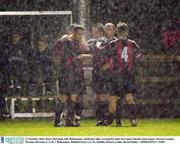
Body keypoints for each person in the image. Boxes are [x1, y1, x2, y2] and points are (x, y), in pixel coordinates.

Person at [103, 22, 142, 126]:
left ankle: (115, 121)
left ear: (116, 32)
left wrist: (107, 66)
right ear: (127, 32)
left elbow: (103, 55)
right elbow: (139, 56)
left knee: (113, 98)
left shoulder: (112, 44)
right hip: (128, 75)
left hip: (116, 75)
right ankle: (133, 119)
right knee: (129, 97)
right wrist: (133, 65)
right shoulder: (132, 43)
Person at [53, 24, 88, 127]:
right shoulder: (68, 42)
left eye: (82, 34)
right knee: (65, 97)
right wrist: (82, 57)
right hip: (68, 73)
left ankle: (68, 121)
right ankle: (60, 120)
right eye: (79, 34)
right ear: (74, 33)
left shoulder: (71, 41)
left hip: (73, 72)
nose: (81, 36)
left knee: (72, 97)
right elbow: (73, 57)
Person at [6, 31, 29, 96]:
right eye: (13, 37)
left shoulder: (22, 47)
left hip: (20, 69)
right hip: (10, 68)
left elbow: (25, 59)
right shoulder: (8, 46)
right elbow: (6, 59)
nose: (15, 38)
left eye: (16, 37)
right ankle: (11, 90)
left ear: (19, 37)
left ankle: (20, 91)